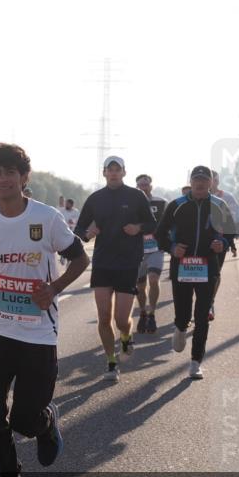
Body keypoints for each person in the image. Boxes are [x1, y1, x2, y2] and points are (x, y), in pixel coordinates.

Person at [0, 143, 89, 477]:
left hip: (38, 334)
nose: (2, 179)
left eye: (9, 172)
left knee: (24, 421)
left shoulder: (46, 218)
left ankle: (45, 422)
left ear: (23, 177)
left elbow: (79, 258)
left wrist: (54, 288)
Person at [73, 156, 154, 382]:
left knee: (121, 319)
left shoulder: (136, 196)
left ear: (124, 173)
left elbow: (152, 224)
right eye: (111, 170)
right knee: (104, 316)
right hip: (102, 262)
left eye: (118, 170)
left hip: (128, 263)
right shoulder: (96, 198)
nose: (114, 173)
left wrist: (138, 228)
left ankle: (126, 336)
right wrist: (87, 234)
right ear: (104, 173)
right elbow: (79, 229)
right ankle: (111, 362)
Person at [155, 166, 235, 379]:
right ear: (190, 181)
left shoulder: (219, 205)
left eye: (204, 179)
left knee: (202, 316)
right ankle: (180, 328)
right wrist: (172, 248)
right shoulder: (177, 205)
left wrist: (223, 243)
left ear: (211, 183)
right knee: (183, 314)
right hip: (182, 267)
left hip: (208, 267)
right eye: (196, 179)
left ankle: (195, 362)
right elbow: (159, 234)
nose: (200, 183)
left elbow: (231, 232)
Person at [133, 175, 167, 334]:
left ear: (151, 186)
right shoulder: (130, 203)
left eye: (146, 185)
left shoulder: (161, 203)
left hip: (156, 248)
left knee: (153, 279)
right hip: (137, 251)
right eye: (140, 185)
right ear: (136, 187)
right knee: (140, 285)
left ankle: (152, 313)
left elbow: (170, 222)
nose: (143, 187)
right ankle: (143, 313)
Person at [208, 170, 239, 320]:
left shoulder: (227, 198)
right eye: (208, 180)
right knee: (197, 274)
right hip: (199, 242)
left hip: (219, 242)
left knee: (215, 273)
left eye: (214, 180)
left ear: (217, 182)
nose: (210, 183)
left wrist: (231, 236)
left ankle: (210, 302)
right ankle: (200, 302)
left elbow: (237, 216)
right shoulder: (195, 195)